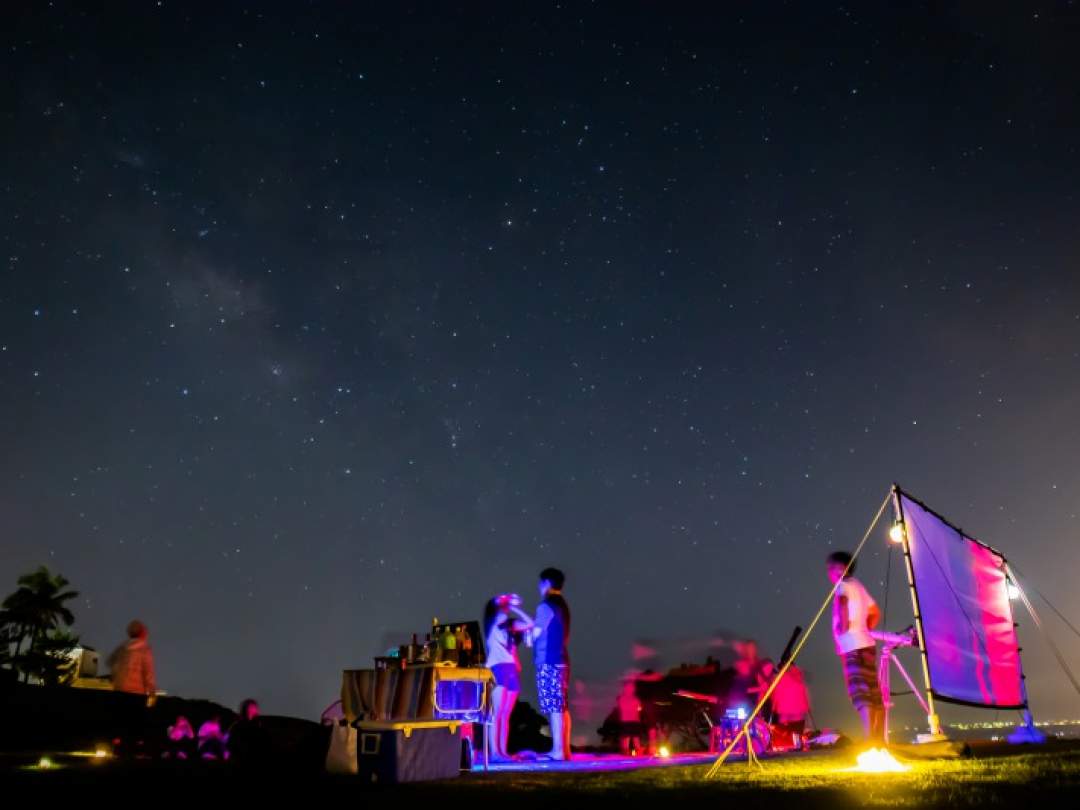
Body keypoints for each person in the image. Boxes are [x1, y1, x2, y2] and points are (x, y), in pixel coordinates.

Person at [827, 550, 883, 742]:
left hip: (852, 646)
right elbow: (875, 612)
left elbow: (843, 604)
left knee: (860, 692)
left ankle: (870, 738)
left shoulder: (842, 586)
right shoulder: (858, 585)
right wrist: (864, 628)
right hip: (867, 644)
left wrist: (844, 629)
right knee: (872, 690)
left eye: (833, 567)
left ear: (842, 568)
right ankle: (877, 738)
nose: (830, 572)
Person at [483, 594, 533, 761]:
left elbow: (530, 624)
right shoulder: (491, 623)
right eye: (500, 602)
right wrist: (505, 604)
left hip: (511, 668)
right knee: (497, 713)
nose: (504, 603)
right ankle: (494, 753)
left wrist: (515, 608)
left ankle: (502, 752)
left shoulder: (509, 625)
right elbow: (498, 612)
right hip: (498, 667)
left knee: (505, 714)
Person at [532, 567, 572, 760]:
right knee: (561, 705)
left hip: (549, 660)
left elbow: (536, 633)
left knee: (554, 706)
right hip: (562, 659)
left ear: (547, 583)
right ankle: (564, 749)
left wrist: (528, 636)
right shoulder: (562, 605)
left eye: (541, 583)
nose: (539, 587)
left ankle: (558, 750)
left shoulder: (545, 606)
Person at [107, 620, 157, 698]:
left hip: (119, 688)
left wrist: (115, 677)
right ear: (142, 633)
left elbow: (109, 662)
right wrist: (152, 691)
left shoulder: (122, 648)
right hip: (136, 691)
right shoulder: (144, 649)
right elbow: (148, 672)